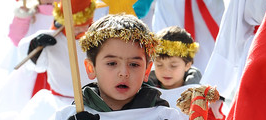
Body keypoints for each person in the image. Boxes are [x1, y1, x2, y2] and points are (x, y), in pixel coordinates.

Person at [52, 14, 186, 119]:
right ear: (91, 68)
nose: (124, 72)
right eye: (112, 63)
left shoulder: (166, 116)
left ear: (146, 70)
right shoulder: (68, 116)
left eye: (134, 64)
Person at [16, 0, 96, 119]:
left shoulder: (99, 38)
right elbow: (34, 66)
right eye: (73, 25)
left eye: (82, 24)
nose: (76, 30)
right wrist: (35, 46)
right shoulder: (51, 37)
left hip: (92, 103)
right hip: (57, 103)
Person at [147, 26, 202, 114]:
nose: (166, 71)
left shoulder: (200, 96)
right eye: (159, 65)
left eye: (173, 66)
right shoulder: (144, 92)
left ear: (187, 65)